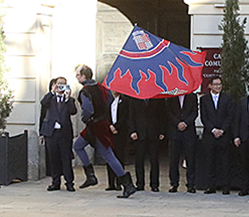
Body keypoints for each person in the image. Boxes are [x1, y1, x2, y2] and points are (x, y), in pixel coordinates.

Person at [72, 65, 136, 198]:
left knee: (108, 155)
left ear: (84, 76)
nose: (76, 77)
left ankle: (127, 184)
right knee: (78, 145)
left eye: (78, 75)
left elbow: (88, 110)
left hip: (95, 126)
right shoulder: (102, 88)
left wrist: (86, 118)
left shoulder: (85, 91)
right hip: (101, 124)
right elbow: (111, 102)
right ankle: (90, 176)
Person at [120, 94, 165, 192]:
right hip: (140, 133)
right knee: (139, 160)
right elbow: (131, 115)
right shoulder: (135, 98)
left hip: (153, 132)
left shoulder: (157, 98)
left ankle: (154, 184)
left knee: (154, 160)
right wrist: (132, 130)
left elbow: (161, 115)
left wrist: (162, 131)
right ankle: (140, 183)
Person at [39, 77, 77, 191]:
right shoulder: (50, 98)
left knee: (66, 158)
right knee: (53, 158)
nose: (61, 86)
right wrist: (52, 92)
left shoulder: (69, 100)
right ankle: (55, 182)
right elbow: (43, 103)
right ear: (55, 85)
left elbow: (73, 111)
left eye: (63, 84)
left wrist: (67, 98)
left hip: (64, 133)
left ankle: (69, 182)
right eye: (59, 84)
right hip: (52, 133)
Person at [199, 75, 235, 194]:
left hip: (224, 135)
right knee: (210, 161)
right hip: (210, 135)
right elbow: (204, 117)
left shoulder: (227, 98)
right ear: (210, 86)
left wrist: (222, 130)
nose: (218, 86)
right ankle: (211, 186)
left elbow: (230, 116)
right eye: (215, 84)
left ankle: (225, 186)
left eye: (220, 84)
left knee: (224, 161)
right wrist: (213, 130)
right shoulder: (204, 99)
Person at [166, 91, 199, 193]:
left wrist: (185, 123)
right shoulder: (171, 96)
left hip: (188, 131)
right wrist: (177, 123)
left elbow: (195, 112)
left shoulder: (192, 96)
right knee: (173, 159)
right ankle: (174, 183)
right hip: (174, 132)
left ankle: (191, 184)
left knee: (190, 159)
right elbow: (168, 112)